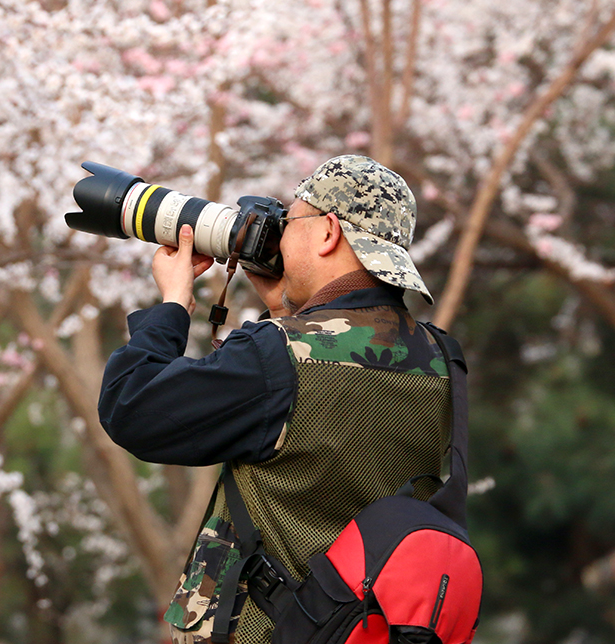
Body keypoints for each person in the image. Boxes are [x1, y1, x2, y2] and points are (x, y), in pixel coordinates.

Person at [98, 155, 455, 644]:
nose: (280, 236)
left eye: (292, 221)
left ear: (328, 233)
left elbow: (130, 406)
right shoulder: (443, 360)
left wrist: (174, 304)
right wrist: (287, 311)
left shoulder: (279, 353)